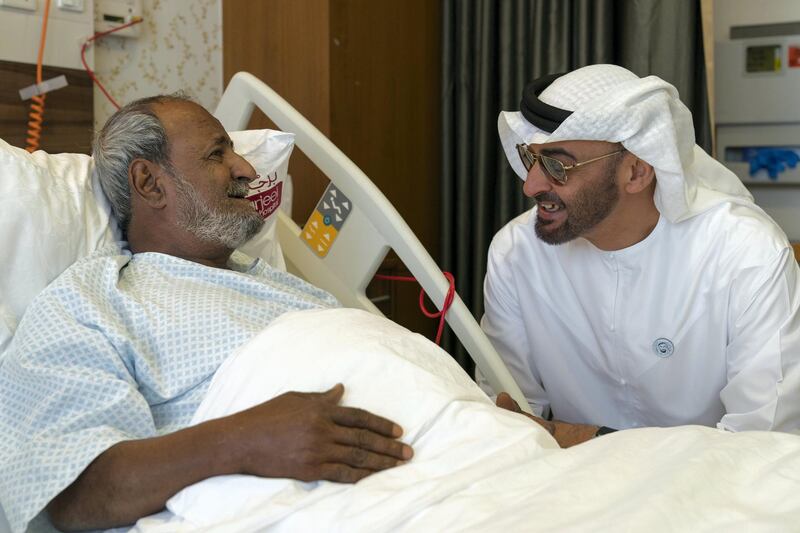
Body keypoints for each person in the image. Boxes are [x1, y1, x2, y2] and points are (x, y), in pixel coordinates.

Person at [0, 95, 413, 533]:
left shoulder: (284, 286)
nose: (248, 171)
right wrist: (243, 440)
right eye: (218, 153)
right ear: (150, 183)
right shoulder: (92, 302)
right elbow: (75, 492)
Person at [481, 64, 800, 447]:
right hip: (566, 490)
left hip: (710, 495)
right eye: (530, 158)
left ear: (636, 171)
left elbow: (763, 444)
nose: (531, 184)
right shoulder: (516, 253)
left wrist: (588, 440)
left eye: (558, 166)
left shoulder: (745, 255)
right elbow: (506, 418)